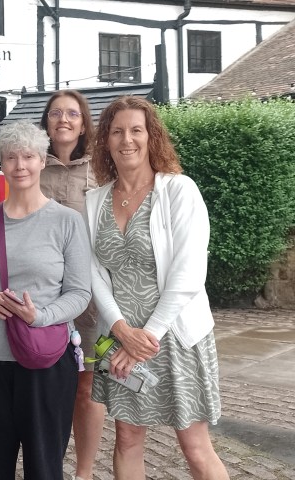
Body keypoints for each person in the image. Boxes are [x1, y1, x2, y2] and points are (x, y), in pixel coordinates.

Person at [84, 96, 228, 480]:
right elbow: (94, 273)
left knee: (194, 446)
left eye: (136, 130)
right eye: (117, 131)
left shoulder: (179, 191)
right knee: (127, 439)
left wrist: (145, 338)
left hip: (173, 336)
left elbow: (189, 272)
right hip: (118, 339)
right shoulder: (94, 201)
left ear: (152, 137)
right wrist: (121, 332)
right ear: (106, 141)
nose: (126, 140)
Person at [0, 121, 92, 480]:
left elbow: (79, 293)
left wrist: (40, 316)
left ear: (43, 161)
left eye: (29, 156)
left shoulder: (67, 222)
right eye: (11, 157)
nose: (20, 165)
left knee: (44, 465)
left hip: (44, 361)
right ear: (1, 165)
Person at [38, 90, 103, 480]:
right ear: (46, 120)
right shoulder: (30, 165)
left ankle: (84, 472)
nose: (64, 119)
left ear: (83, 122)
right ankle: (47, 468)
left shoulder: (101, 169)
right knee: (45, 384)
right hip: (43, 296)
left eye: (72, 114)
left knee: (87, 384)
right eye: (56, 112)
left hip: (91, 298)